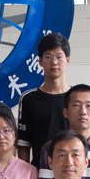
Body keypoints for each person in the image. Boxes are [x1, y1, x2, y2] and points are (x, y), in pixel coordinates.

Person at [17, 33, 71, 165]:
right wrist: (25, 173)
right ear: (40, 61)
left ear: (67, 60)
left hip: (71, 169)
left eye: (59, 57)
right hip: (40, 170)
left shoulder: (76, 98)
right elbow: (23, 143)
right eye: (48, 57)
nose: (54, 62)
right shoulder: (29, 99)